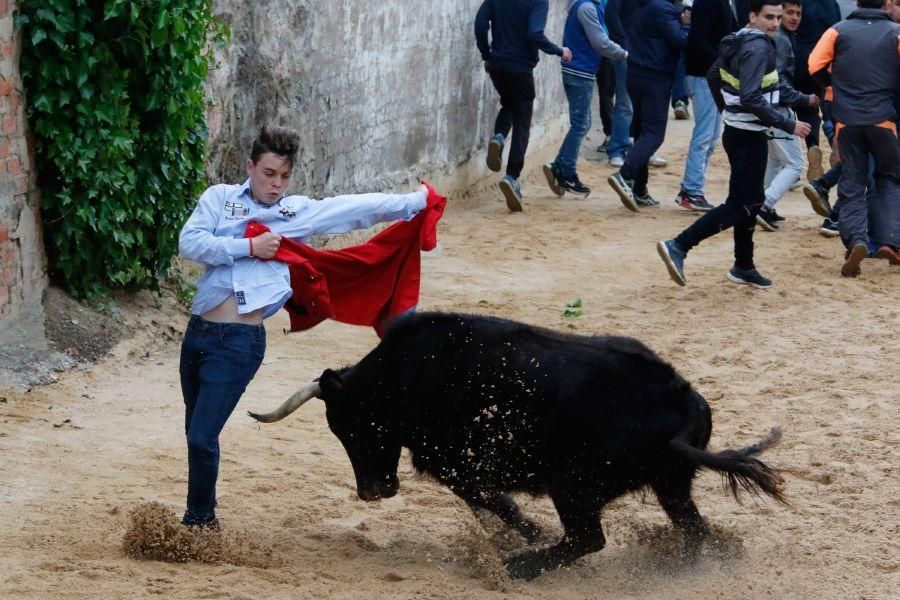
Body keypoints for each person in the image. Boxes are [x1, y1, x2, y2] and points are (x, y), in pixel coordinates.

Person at [177, 126, 431, 530]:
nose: (276, 185)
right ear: (251, 167)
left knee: (200, 436)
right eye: (268, 174)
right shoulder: (219, 199)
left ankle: (199, 521)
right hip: (198, 335)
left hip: (238, 343)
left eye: (284, 176)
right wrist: (248, 247)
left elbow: (353, 208)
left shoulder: (292, 214)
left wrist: (416, 203)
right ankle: (202, 518)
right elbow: (190, 243)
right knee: (195, 431)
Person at [657, 0, 815, 289]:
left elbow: (715, 75)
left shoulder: (740, 40)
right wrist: (788, 124)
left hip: (739, 132)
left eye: (778, 17)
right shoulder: (759, 47)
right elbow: (752, 97)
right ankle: (679, 245)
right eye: (769, 17)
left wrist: (728, 112)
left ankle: (744, 265)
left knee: (750, 202)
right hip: (747, 137)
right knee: (741, 205)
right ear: (752, 16)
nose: (775, 23)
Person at [808, 0, 900, 276]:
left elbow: (814, 65)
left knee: (852, 183)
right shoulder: (895, 32)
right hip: (884, 119)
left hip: (846, 121)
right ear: (886, 3)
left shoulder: (837, 30)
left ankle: (855, 240)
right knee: (890, 179)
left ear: (857, 2)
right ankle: (890, 242)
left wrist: (833, 86)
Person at [475, 0, 572, 212]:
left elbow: (480, 22)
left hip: (498, 65)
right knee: (522, 123)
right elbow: (535, 33)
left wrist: (486, 54)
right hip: (521, 67)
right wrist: (558, 50)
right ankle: (512, 177)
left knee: (509, 103)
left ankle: (499, 136)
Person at [608, 0, 690, 210]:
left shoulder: (641, 5)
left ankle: (639, 189)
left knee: (643, 132)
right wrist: (688, 23)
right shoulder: (662, 8)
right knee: (654, 133)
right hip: (655, 77)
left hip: (637, 74)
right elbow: (680, 40)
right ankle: (625, 176)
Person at [545, 0, 628, 196]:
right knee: (581, 124)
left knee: (582, 123)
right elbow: (599, 41)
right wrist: (622, 53)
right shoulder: (587, 8)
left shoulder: (588, 6)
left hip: (578, 70)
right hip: (580, 72)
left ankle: (561, 165)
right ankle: (565, 171)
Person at [674, 0, 739, 211]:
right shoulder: (708, 2)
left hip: (708, 76)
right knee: (704, 137)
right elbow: (697, 39)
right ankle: (691, 191)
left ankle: (692, 189)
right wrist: (722, 64)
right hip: (703, 76)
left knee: (710, 138)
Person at [755, 0, 807, 231]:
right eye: (789, 13)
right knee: (795, 164)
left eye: (798, 13)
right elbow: (778, 81)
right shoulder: (781, 40)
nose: (794, 18)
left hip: (769, 109)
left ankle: (760, 205)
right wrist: (803, 98)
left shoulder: (779, 38)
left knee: (776, 161)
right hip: (777, 110)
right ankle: (765, 205)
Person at [794, 0, 842, 181]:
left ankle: (812, 145)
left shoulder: (798, 3)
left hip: (798, 61)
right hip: (823, 63)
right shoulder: (831, 4)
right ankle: (834, 144)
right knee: (823, 107)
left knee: (802, 109)